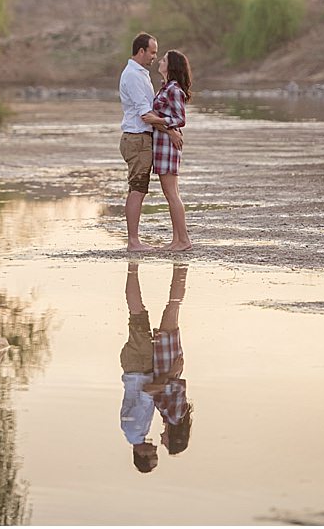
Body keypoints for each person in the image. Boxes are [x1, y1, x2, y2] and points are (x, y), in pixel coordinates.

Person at [119, 262, 192, 471]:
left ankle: (133, 266)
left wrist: (169, 374)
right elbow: (151, 392)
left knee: (138, 315)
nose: (156, 449)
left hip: (138, 367)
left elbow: (146, 391)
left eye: (153, 456)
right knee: (150, 312)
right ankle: (139, 268)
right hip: (141, 367)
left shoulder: (135, 430)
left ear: (141, 455)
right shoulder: (137, 432)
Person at [118, 33, 181, 252]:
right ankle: (133, 242)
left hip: (141, 138)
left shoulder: (140, 74)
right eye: (152, 52)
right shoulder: (134, 76)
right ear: (141, 51)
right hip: (137, 138)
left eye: (157, 53)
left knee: (138, 188)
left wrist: (167, 128)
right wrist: (171, 131)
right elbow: (146, 114)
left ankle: (134, 240)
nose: (155, 57)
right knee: (137, 189)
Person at [143, 49, 193, 252]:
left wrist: (157, 120)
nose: (159, 61)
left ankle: (183, 241)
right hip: (163, 144)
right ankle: (177, 240)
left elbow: (181, 119)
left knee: (172, 194)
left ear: (170, 66)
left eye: (163, 59)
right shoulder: (165, 88)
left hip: (168, 147)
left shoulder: (173, 89)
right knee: (171, 194)